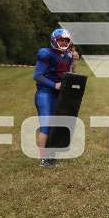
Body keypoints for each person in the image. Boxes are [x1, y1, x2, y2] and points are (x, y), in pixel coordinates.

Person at [33, 28, 74, 167]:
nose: (64, 43)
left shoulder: (68, 56)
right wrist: (54, 85)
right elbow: (37, 76)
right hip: (45, 93)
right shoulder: (46, 54)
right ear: (54, 40)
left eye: (66, 40)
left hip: (58, 94)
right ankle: (43, 159)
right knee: (46, 126)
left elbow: (66, 73)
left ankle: (50, 155)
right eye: (61, 40)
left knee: (57, 124)